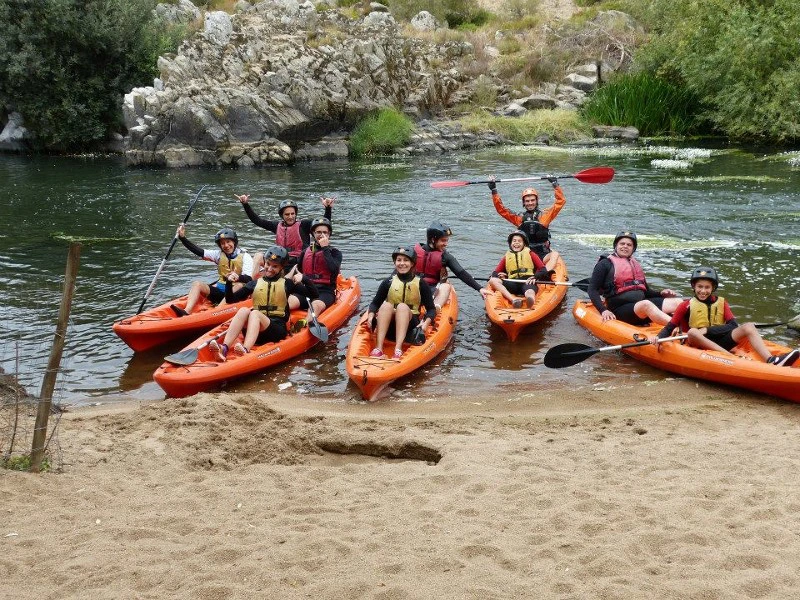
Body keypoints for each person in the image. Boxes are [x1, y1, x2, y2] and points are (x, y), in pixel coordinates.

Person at [649, 266, 800, 367]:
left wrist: (707, 330)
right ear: (694, 287)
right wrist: (658, 338)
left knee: (748, 326)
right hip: (696, 343)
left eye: (707, 287)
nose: (703, 291)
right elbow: (670, 327)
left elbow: (733, 325)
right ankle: (731, 358)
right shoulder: (685, 305)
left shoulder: (721, 303)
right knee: (693, 332)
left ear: (713, 288)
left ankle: (772, 360)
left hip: (720, 340)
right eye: (699, 287)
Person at [208, 246, 319, 361]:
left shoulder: (288, 284)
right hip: (254, 332)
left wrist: (304, 278)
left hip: (276, 331)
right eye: (268, 264)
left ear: (281, 268)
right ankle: (224, 348)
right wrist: (228, 283)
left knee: (255, 313)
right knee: (243, 310)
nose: (270, 268)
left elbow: (314, 295)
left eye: (275, 266)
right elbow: (231, 300)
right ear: (264, 262)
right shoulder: (254, 283)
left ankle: (245, 350)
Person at [588, 231, 682, 325]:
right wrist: (603, 310)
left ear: (633, 249)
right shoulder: (604, 264)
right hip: (619, 310)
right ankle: (675, 327)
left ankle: (690, 327)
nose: (625, 246)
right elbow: (592, 290)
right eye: (622, 243)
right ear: (616, 246)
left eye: (629, 245)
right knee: (646, 304)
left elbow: (646, 292)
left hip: (639, 308)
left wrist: (661, 293)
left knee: (678, 302)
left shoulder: (635, 264)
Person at [364, 246, 437, 360]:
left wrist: (426, 323)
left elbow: (431, 309)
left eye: (406, 260)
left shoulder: (421, 284)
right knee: (386, 305)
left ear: (412, 263)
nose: (402, 263)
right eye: (399, 260)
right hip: (389, 327)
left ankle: (398, 350)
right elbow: (375, 304)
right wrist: (371, 315)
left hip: (410, 326)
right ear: (395, 263)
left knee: (402, 307)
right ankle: (378, 348)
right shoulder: (388, 282)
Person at [235, 193, 334, 274]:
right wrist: (245, 204)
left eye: (293, 214)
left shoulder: (304, 225)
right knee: (258, 256)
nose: (290, 217)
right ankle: (250, 285)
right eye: (287, 214)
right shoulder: (276, 226)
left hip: (298, 261)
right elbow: (257, 221)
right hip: (280, 259)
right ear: (282, 215)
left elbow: (323, 225)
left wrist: (328, 208)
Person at [488, 175, 565, 271]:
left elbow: (560, 202)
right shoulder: (519, 218)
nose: (530, 203)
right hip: (526, 255)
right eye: (527, 201)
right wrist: (494, 190)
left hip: (543, 255)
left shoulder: (545, 215)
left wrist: (555, 184)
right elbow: (501, 209)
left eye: (532, 200)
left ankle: (544, 272)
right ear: (523, 203)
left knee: (555, 254)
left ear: (537, 201)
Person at [173, 225, 254, 316]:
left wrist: (237, 277)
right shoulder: (218, 254)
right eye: (222, 243)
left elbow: (249, 279)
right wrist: (183, 238)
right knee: (197, 284)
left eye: (228, 242)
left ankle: (217, 311)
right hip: (220, 291)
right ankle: (186, 311)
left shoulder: (245, 256)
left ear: (234, 242)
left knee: (239, 285)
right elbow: (199, 252)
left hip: (235, 294)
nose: (226, 245)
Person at [414, 221, 490, 311]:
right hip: (421, 289)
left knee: (445, 286)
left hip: (422, 289)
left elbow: (461, 273)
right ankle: (433, 308)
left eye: (447, 240)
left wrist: (479, 288)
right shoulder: (442, 256)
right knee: (446, 286)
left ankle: (433, 308)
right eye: (443, 240)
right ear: (433, 240)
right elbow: (460, 273)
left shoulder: (414, 251)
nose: (446, 244)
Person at [288, 217, 342, 332]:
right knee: (289, 301)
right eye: (318, 232)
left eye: (324, 232)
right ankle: (280, 322)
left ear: (329, 234)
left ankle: (305, 324)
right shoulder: (305, 252)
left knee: (315, 305)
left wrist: (325, 248)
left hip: (325, 291)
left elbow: (333, 269)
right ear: (313, 233)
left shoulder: (335, 253)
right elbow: (299, 270)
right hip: (307, 289)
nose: (321, 235)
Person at [487, 230, 550, 309]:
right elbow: (495, 272)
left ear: (524, 244)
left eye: (519, 241)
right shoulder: (507, 256)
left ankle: (530, 302)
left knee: (530, 292)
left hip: (527, 281)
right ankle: (513, 300)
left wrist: (535, 277)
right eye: (514, 241)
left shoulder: (531, 254)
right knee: (493, 280)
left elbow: (543, 269)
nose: (516, 243)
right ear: (510, 244)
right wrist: (500, 276)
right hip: (512, 283)